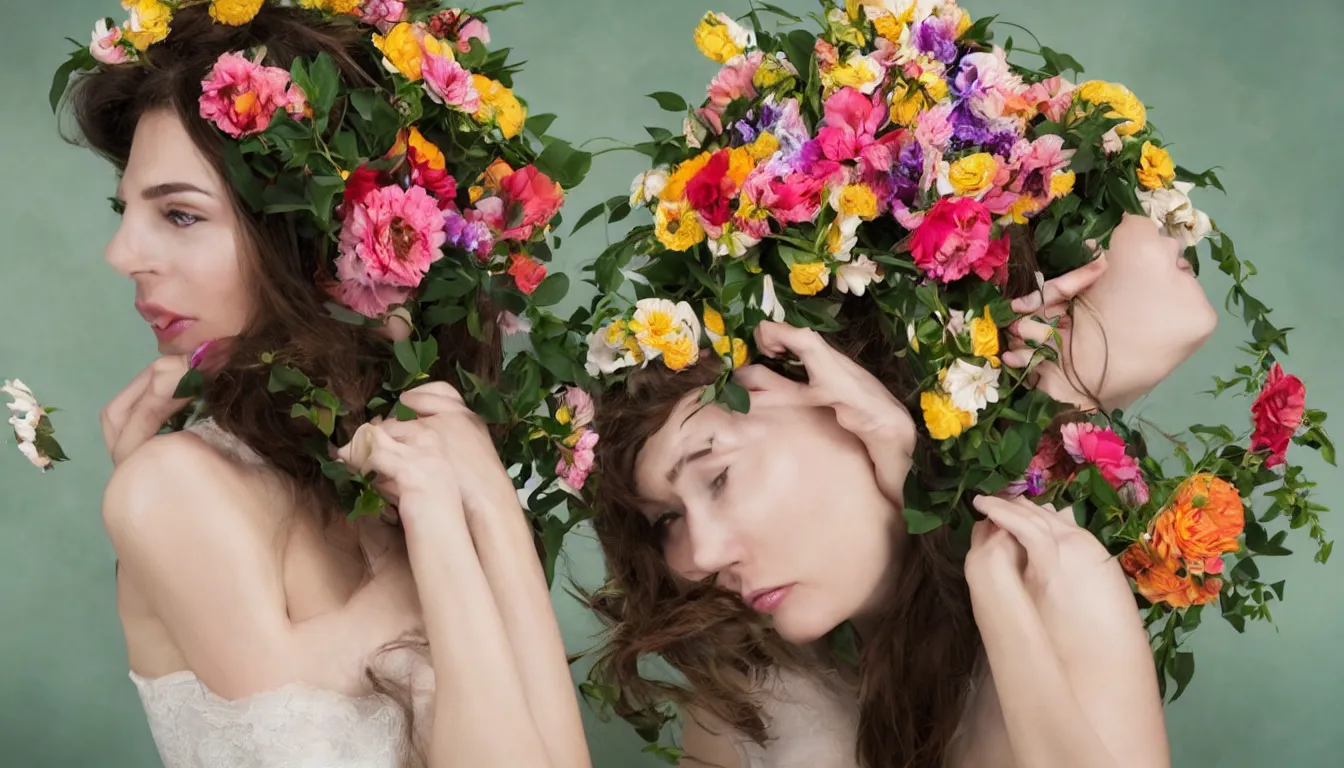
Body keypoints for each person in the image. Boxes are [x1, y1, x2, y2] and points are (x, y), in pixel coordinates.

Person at [569, 3, 1273, 767]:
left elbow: (1166, 303)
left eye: (717, 475)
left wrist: (976, 424)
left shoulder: (1053, 585)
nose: (697, 556)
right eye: (666, 518)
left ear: (837, 391)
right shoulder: (749, 700)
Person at [58, 2, 590, 766]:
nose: (120, 253)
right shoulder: (171, 486)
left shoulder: (393, 478)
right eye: (129, 211)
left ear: (314, 232)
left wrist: (482, 506)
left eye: (178, 214)